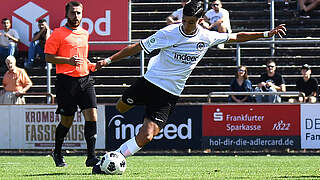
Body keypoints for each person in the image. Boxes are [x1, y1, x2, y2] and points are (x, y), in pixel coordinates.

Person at [92, 0, 287, 174]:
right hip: (149, 82)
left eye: (191, 22)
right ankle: (134, 119)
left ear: (200, 20)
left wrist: (265, 33)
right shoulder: (168, 33)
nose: (185, 25)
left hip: (169, 93)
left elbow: (236, 37)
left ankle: (112, 158)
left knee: (148, 136)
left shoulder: (206, 37)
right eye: (184, 20)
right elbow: (136, 47)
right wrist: (108, 60)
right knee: (120, 107)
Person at [44, 1, 100, 167]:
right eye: (73, 13)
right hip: (66, 82)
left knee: (92, 115)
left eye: (79, 13)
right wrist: (68, 61)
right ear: (66, 14)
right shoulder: (57, 34)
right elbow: (48, 57)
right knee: (67, 121)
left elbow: (83, 58)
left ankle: (91, 157)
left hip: (85, 79)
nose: (76, 16)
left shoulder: (84, 33)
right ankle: (57, 152)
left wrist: (91, 65)